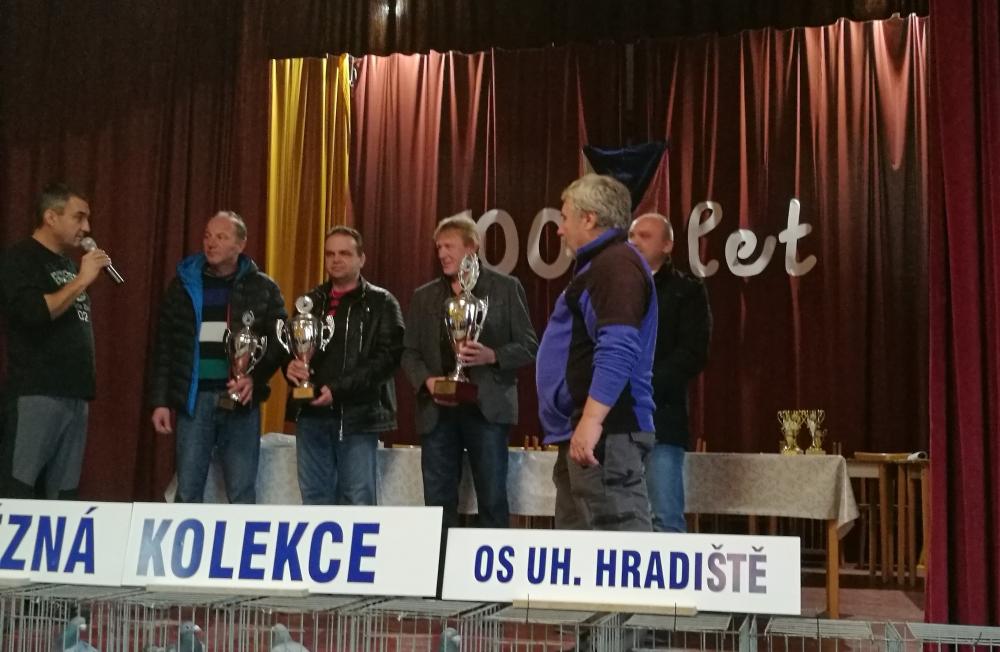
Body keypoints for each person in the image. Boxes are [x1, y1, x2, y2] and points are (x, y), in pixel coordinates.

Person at [401, 215, 538, 534]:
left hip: (486, 410)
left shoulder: (505, 288)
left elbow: (529, 345)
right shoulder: (424, 296)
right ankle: (439, 565)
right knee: (437, 502)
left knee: (492, 499)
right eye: (438, 248)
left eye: (449, 246)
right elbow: (409, 352)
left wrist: (493, 355)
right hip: (437, 411)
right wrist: (428, 381)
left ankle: (490, 565)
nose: (442, 254)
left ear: (472, 247)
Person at [537, 173, 658, 531]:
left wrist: (592, 422)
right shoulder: (602, 265)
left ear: (589, 219)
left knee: (617, 547)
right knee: (582, 553)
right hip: (588, 431)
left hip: (606, 433)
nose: (560, 229)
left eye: (565, 217)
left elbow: (618, 347)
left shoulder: (615, 265)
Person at [149, 211, 287, 504]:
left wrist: (254, 377)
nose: (210, 243)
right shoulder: (183, 285)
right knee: (188, 489)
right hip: (194, 400)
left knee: (241, 491)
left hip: (241, 401)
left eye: (221, 237)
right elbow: (166, 346)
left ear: (240, 244)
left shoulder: (263, 287)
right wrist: (160, 401)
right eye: (207, 236)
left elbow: (279, 343)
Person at [0, 183, 114, 498]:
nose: (86, 227)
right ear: (51, 217)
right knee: (19, 489)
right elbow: (34, 312)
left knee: (64, 495)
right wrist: (82, 280)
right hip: (37, 392)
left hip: (75, 394)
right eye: (79, 217)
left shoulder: (67, 264)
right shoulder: (20, 259)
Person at [283, 226, 404, 505]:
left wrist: (336, 390)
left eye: (344, 253)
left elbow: (387, 360)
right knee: (314, 499)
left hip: (358, 418)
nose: (336, 259)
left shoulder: (382, 302)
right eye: (330, 254)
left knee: (358, 499)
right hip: (310, 416)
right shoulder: (309, 303)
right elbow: (291, 350)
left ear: (362, 258)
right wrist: (290, 368)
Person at [628, 212, 712, 532]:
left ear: (667, 246)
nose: (634, 242)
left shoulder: (686, 291)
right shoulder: (614, 287)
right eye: (631, 236)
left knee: (665, 516)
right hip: (613, 422)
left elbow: (692, 353)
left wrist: (642, 385)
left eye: (645, 236)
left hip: (661, 420)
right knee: (618, 518)